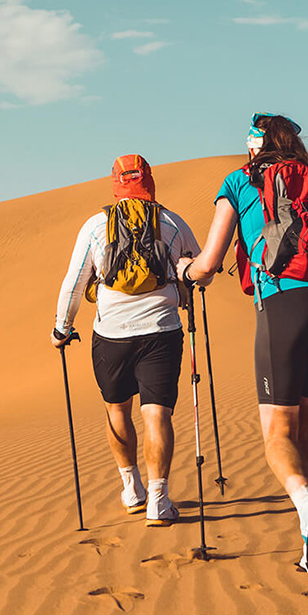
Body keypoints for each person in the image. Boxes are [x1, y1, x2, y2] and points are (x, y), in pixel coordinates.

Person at [177, 113, 308, 583]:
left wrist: (187, 271)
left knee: (277, 435)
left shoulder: (238, 181)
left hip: (283, 306)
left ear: (253, 146)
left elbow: (209, 263)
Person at [52, 154, 202, 526]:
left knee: (117, 410)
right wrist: (182, 273)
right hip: (162, 332)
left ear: (115, 182)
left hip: (111, 335)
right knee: (157, 415)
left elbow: (74, 283)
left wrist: (61, 327)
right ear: (149, 181)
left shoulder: (95, 225)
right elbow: (202, 273)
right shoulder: (172, 222)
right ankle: (158, 500)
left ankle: (131, 489)